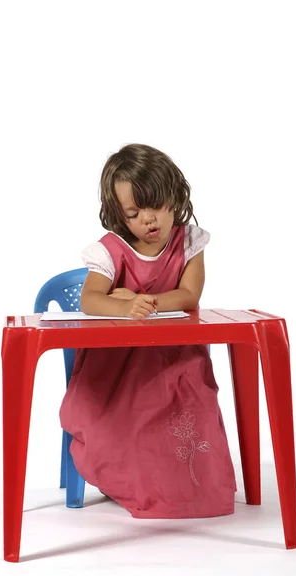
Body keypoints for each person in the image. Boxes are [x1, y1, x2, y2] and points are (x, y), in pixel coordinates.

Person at [60, 143, 236, 518]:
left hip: (177, 353)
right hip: (121, 364)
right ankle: (137, 484)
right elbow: (91, 299)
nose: (149, 220)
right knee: (135, 416)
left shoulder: (189, 241)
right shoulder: (111, 250)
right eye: (134, 213)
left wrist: (144, 299)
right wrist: (123, 306)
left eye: (155, 205)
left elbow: (189, 295)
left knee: (192, 406)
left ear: (174, 196)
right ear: (119, 216)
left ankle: (189, 489)